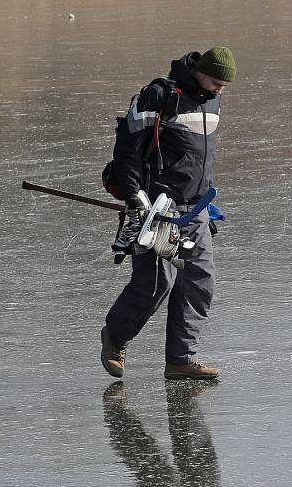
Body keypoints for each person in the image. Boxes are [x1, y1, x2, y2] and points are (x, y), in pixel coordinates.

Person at [100, 46, 236, 381]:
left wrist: (205, 198)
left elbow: (198, 155)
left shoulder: (213, 100)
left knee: (198, 283)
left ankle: (180, 360)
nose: (220, 89)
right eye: (216, 82)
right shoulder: (159, 95)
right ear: (199, 71)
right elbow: (127, 149)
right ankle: (115, 337)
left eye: (224, 85)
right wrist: (134, 196)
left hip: (196, 209)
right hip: (158, 209)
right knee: (157, 283)